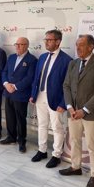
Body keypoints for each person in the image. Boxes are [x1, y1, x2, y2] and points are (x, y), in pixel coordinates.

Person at [59, 34, 94, 187]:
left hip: (90, 113)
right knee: (74, 140)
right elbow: (66, 86)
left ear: (91, 46)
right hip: (73, 112)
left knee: (93, 145)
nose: (77, 48)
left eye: (81, 45)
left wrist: (84, 110)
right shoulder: (73, 63)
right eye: (76, 45)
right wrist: (70, 107)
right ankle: (75, 167)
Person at [30, 29, 72, 168]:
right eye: (46, 40)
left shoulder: (67, 60)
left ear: (58, 41)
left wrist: (63, 103)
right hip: (40, 95)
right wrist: (33, 94)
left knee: (57, 128)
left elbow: (68, 85)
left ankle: (56, 155)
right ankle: (42, 150)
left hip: (56, 99)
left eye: (49, 40)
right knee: (41, 124)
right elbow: (37, 77)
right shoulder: (42, 57)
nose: (46, 42)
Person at [0, 37, 37, 152]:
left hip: (20, 94)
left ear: (26, 45)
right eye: (16, 44)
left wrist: (15, 87)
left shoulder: (32, 60)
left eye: (20, 44)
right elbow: (4, 72)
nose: (17, 46)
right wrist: (6, 84)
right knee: (9, 117)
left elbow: (29, 78)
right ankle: (11, 137)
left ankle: (21, 141)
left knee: (20, 119)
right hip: (8, 93)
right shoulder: (11, 57)